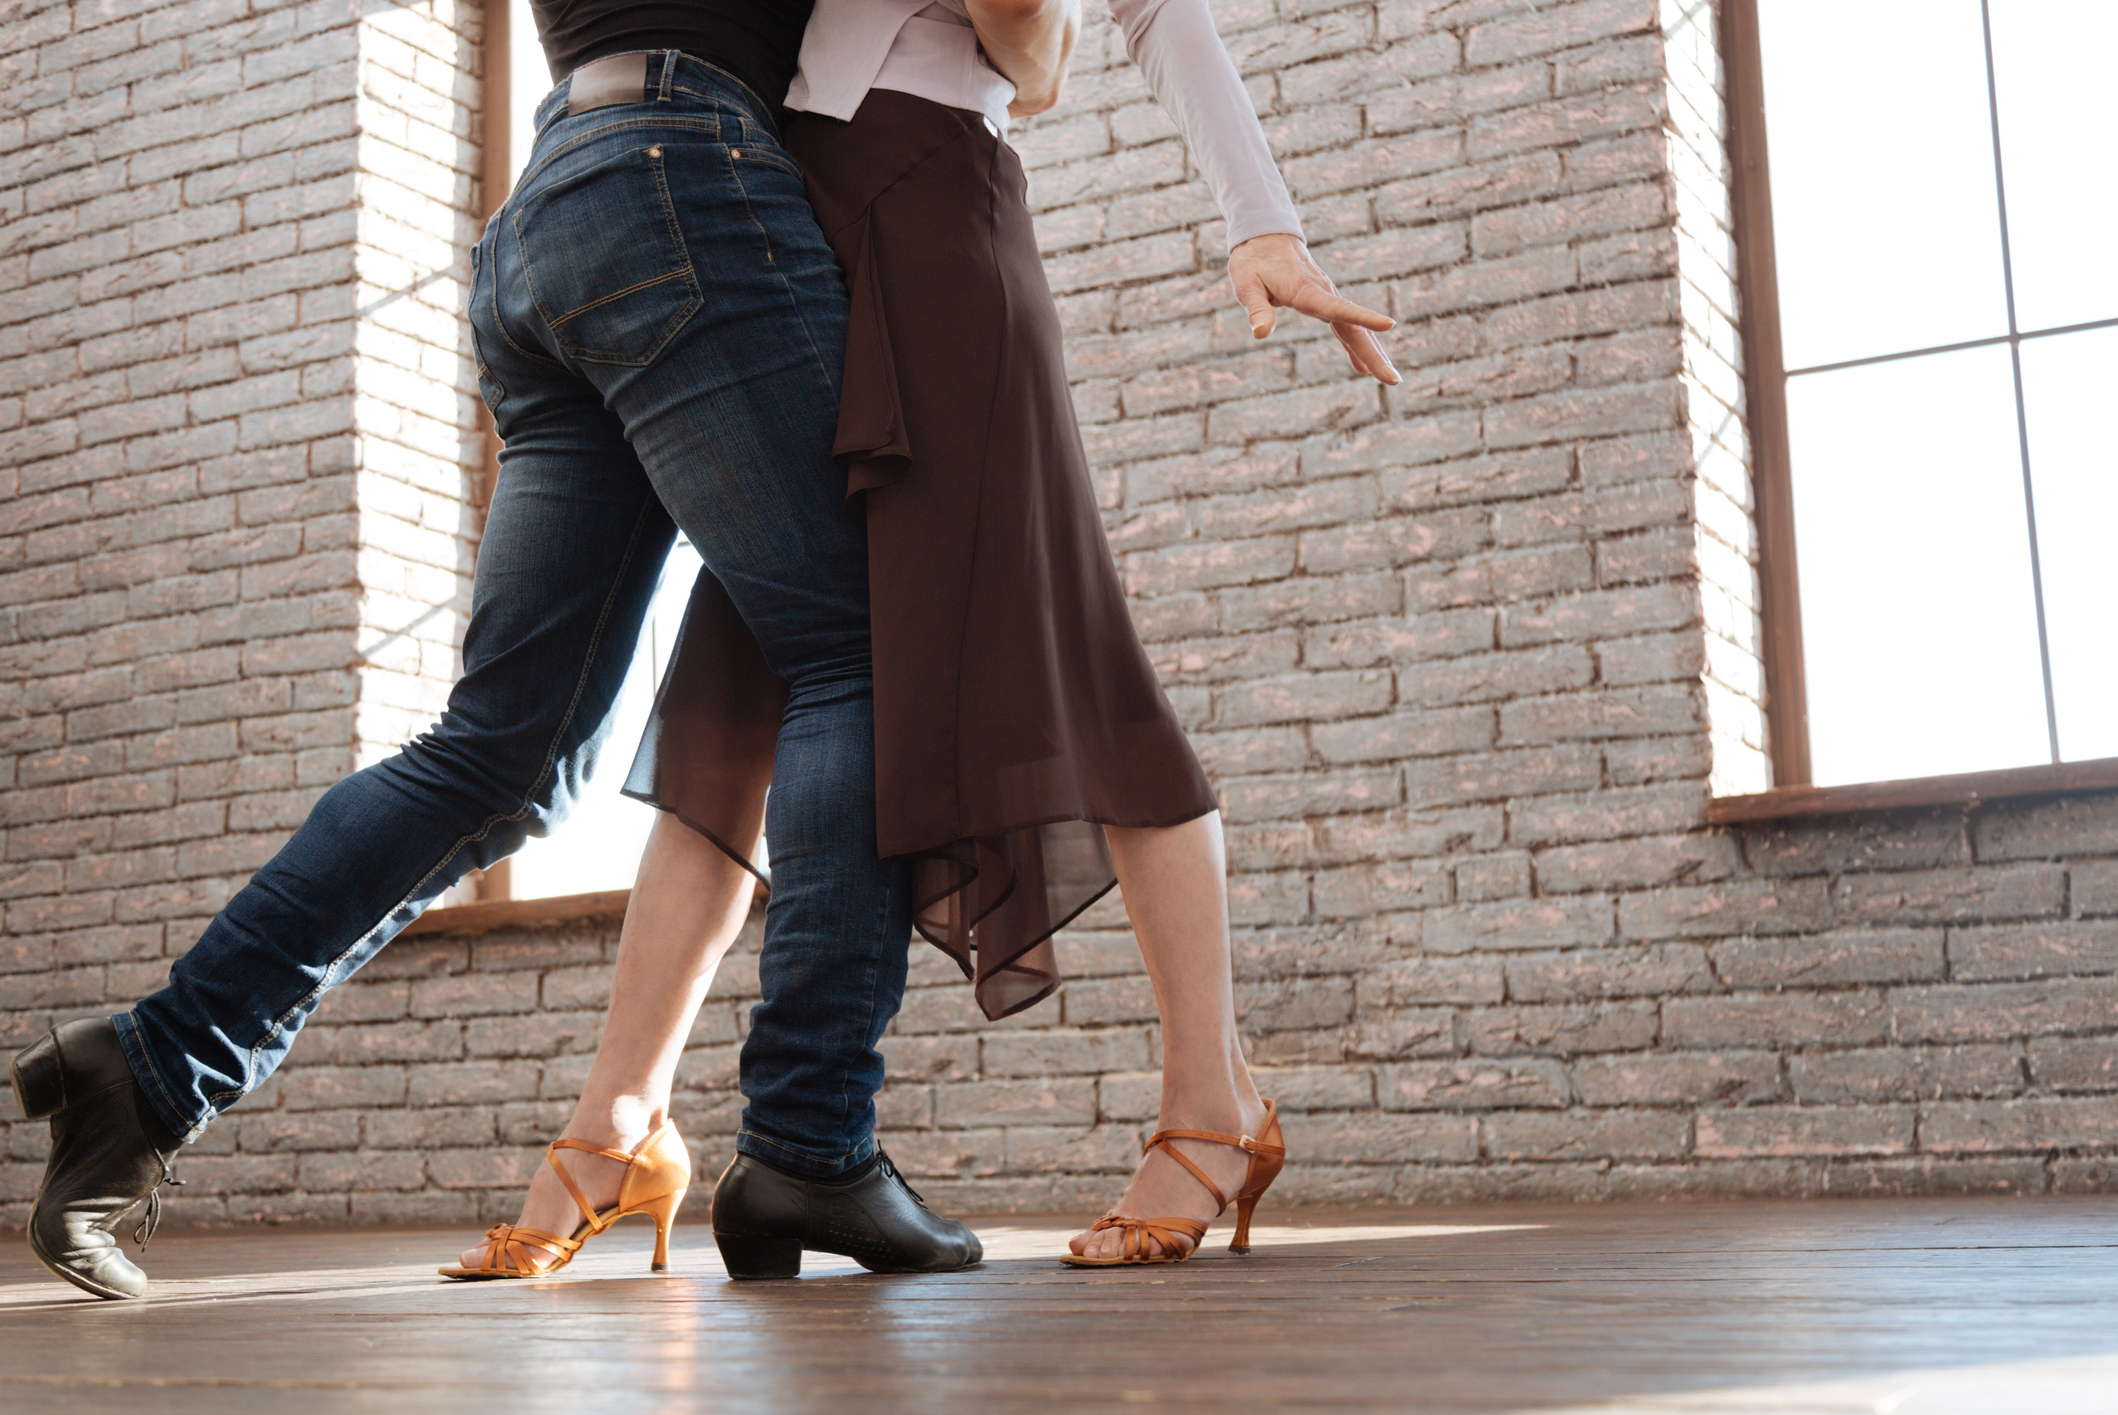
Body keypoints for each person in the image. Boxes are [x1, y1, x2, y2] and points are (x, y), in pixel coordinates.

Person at [442, 0, 1398, 1279]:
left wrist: (1262, 221)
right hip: (772, 226)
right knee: (735, 689)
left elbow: (1142, 16)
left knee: (1088, 674)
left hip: (931, 221)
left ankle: (1211, 1107)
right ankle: (615, 1124)